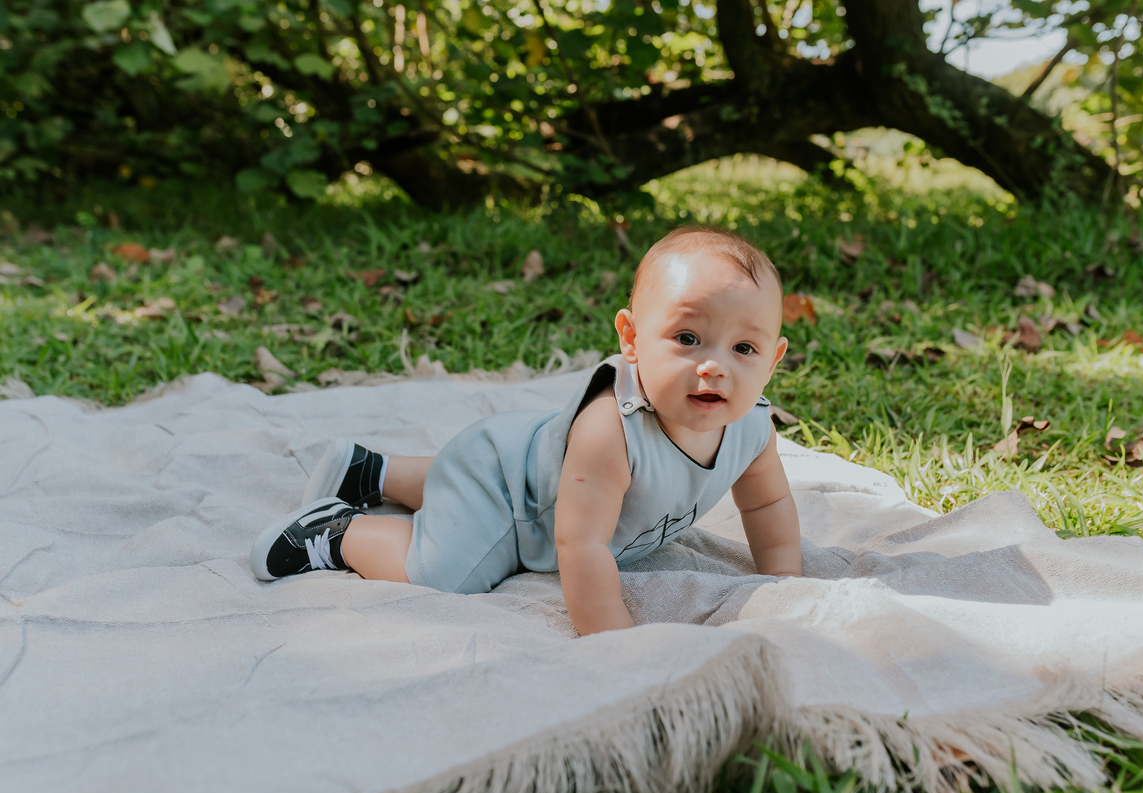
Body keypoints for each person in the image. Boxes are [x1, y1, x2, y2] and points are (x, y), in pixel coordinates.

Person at [250, 225, 803, 636]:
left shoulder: (752, 428)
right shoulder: (613, 431)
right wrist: (614, 640)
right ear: (631, 339)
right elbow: (581, 544)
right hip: (508, 497)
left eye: (744, 348)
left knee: (456, 489)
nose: (715, 366)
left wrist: (783, 586)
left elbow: (766, 506)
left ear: (773, 359)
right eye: (687, 338)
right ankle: (337, 532)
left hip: (523, 460)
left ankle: (373, 471)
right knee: (446, 570)